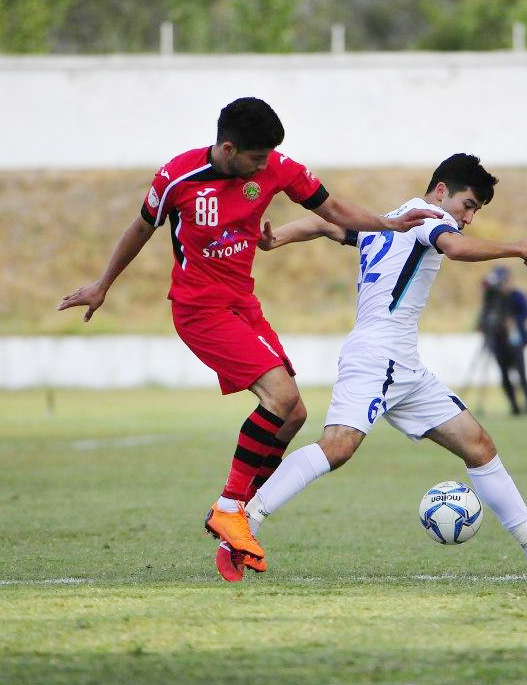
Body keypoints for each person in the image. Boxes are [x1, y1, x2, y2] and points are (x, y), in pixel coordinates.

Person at [57, 97, 438, 581]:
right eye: (257, 158)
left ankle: (237, 526)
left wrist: (387, 223)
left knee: (294, 414)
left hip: (243, 304)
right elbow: (140, 228)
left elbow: (332, 207)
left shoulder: (277, 167)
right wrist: (103, 283)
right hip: (199, 310)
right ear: (229, 147)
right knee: (280, 397)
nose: (266, 166)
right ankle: (229, 508)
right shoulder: (176, 178)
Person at [223, 153, 527, 579]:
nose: (469, 218)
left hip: (404, 367)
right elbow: (453, 248)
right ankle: (243, 521)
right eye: (469, 205)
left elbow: (324, 225)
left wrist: (278, 238)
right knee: (338, 447)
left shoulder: (388, 220)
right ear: (442, 191)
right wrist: (517, 248)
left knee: (478, 446)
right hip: (377, 356)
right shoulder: (427, 218)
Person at [478, 266, 527, 415]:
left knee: (522, 375)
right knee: (504, 375)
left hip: (514, 341)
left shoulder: (517, 295)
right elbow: (485, 313)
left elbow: (524, 314)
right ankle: (514, 407)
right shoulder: (492, 296)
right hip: (498, 341)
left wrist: (512, 322)